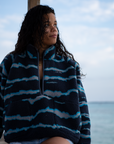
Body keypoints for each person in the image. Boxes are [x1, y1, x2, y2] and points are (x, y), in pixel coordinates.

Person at [0, 5, 91, 144]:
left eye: (55, 24)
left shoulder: (70, 66)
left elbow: (83, 109)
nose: (54, 29)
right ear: (32, 29)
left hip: (59, 136)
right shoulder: (11, 62)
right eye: (47, 24)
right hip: (19, 137)